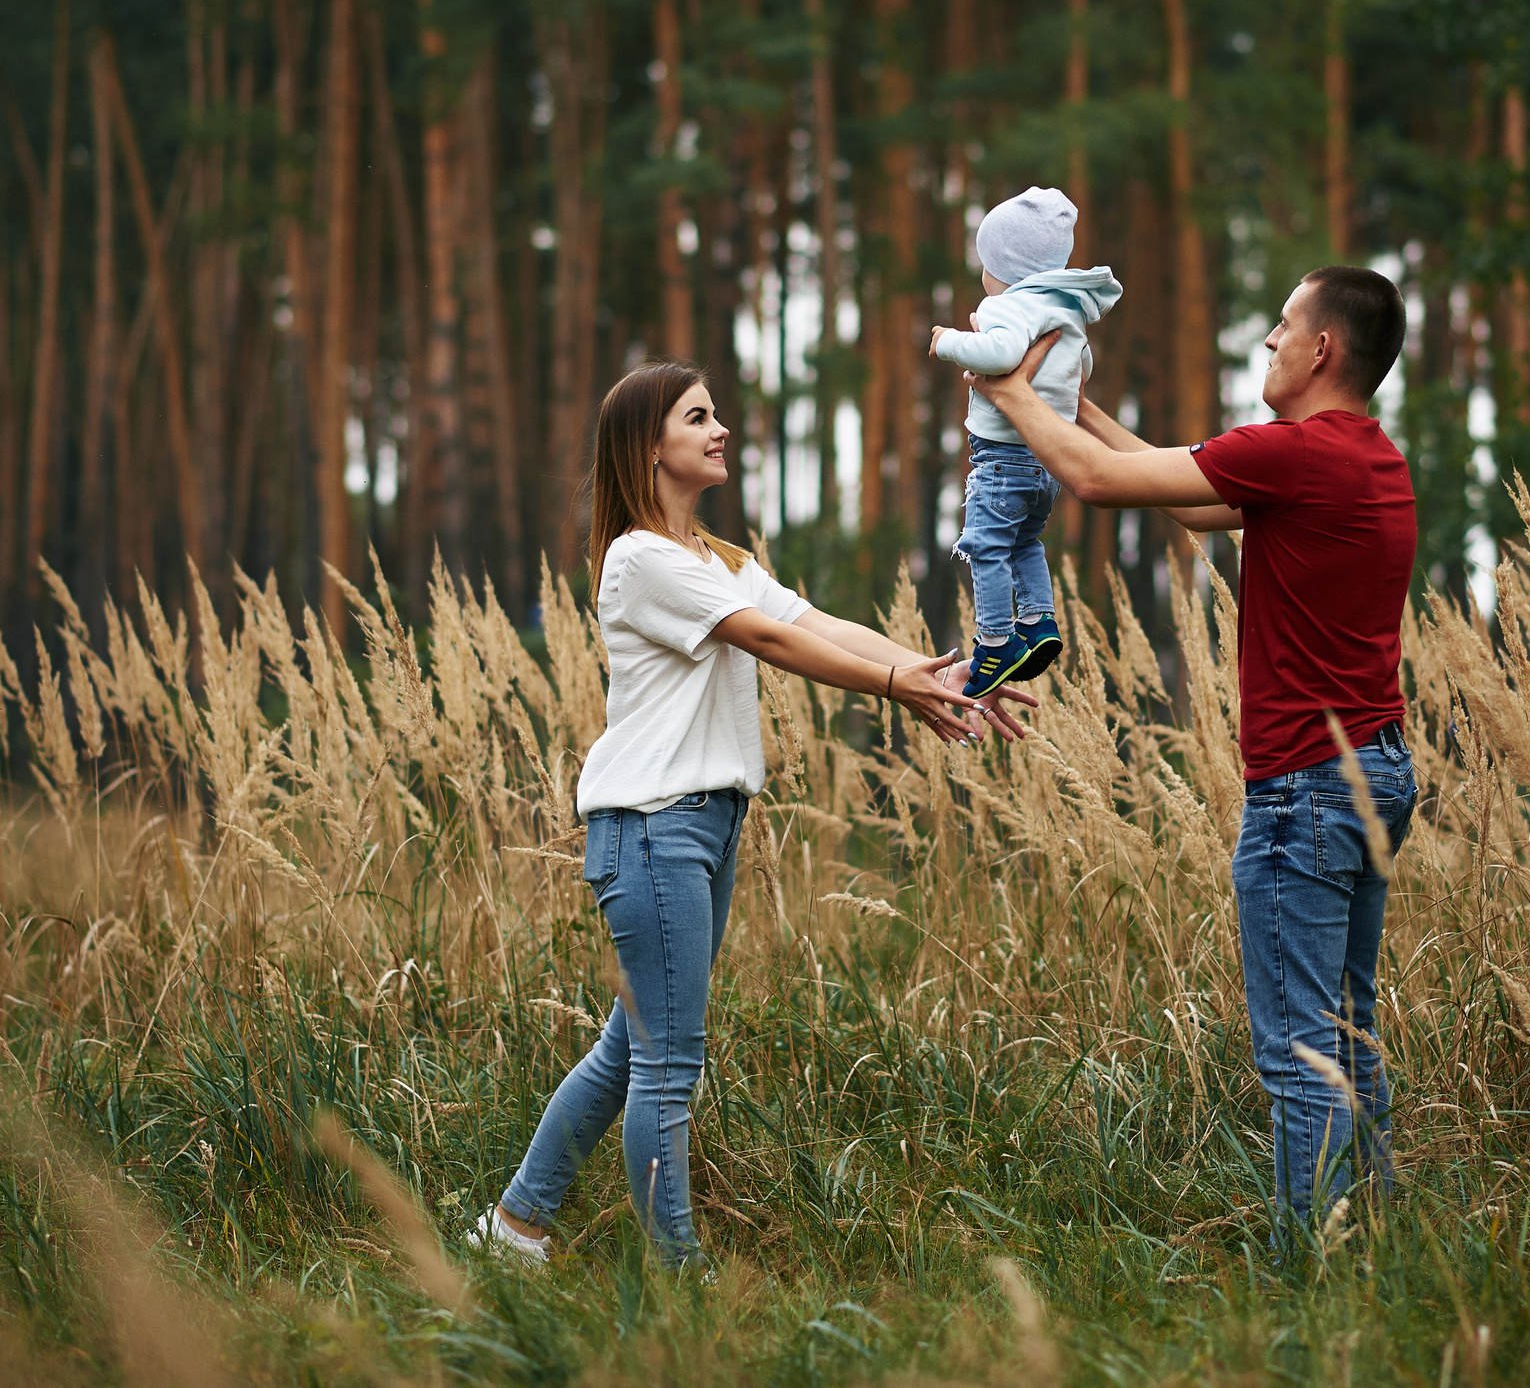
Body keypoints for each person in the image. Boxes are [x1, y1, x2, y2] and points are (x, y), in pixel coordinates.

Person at [469, 361, 1027, 1271]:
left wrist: (936, 673)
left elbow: (817, 622)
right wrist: (894, 687)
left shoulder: (714, 557)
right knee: (666, 1060)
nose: (720, 427)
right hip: (653, 827)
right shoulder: (640, 557)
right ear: (651, 446)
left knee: (632, 1049)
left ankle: (516, 1227)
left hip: (700, 827)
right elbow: (768, 640)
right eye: (699, 417)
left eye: (717, 413)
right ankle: (674, 1270)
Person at [965, 266, 1417, 1235]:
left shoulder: (1295, 454)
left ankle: (1316, 1271)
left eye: (1282, 326)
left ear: (1321, 349)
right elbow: (1199, 501)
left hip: (1303, 789)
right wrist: (1071, 402)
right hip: (1371, 772)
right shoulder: (1366, 456)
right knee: (1347, 1036)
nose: (1269, 342)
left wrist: (1007, 395)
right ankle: (1374, 1250)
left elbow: (1094, 482)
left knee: (1299, 1054)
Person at [926, 187, 1123, 696]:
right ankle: (1038, 623)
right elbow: (1083, 370)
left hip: (1002, 459)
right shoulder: (1065, 308)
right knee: (1024, 541)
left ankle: (994, 643)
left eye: (985, 264)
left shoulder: (1009, 304)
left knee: (985, 545)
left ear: (1005, 269)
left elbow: (1001, 351)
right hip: (1046, 462)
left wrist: (949, 341)